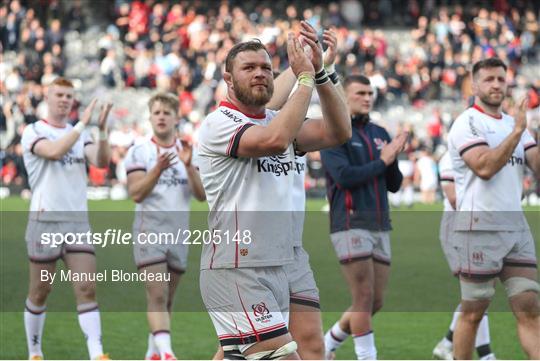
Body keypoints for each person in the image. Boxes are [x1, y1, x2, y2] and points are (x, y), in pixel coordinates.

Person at [197, 22, 350, 360]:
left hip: (286, 256)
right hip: (240, 263)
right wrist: (305, 79)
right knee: (282, 355)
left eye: (266, 67)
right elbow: (274, 140)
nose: (260, 74)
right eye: (248, 68)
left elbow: (338, 131)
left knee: (306, 346)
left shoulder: (278, 118)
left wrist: (321, 73)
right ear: (228, 78)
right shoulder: (220, 124)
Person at [448, 57, 540, 360]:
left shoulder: (517, 125)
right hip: (479, 227)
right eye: (489, 79)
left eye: (501, 79)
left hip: (516, 227)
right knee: (473, 313)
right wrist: (516, 132)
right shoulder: (468, 122)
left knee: (530, 310)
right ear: (474, 85)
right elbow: (485, 167)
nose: (497, 84)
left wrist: (526, 132)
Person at [21, 77, 112, 360]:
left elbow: (100, 161)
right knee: (40, 290)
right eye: (59, 94)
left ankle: (97, 354)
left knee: (87, 287)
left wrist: (103, 131)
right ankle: (35, 351)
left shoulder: (79, 132)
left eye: (69, 96)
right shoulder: (33, 131)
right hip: (44, 222)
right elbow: (54, 151)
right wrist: (83, 125)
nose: (64, 99)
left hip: (77, 224)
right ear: (47, 98)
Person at [320, 75, 408, 360]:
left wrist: (393, 156)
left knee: (375, 301)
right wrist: (382, 160)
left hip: (380, 223)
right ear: (344, 97)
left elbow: (393, 183)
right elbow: (344, 177)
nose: (368, 97)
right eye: (360, 93)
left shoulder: (379, 131)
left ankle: (326, 346)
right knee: (363, 299)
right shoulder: (334, 132)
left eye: (370, 93)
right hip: (349, 222)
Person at [124, 92, 206, 360]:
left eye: (166, 112)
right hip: (150, 232)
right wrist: (156, 171)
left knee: (167, 299)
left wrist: (189, 167)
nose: (161, 117)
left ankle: (152, 353)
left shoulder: (187, 150)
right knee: (157, 294)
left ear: (176, 118)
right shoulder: (140, 151)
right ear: (150, 117)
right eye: (156, 112)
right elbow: (136, 193)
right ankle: (169, 353)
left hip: (179, 234)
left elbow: (201, 194)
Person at [432, 150, 495, 360]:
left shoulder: (480, 155)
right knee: (478, 291)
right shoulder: (450, 158)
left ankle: (447, 343)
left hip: (476, 226)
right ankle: (486, 355)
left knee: (479, 292)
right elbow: (452, 198)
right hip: (458, 227)